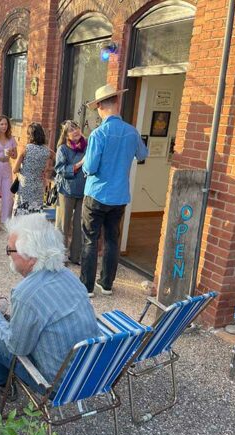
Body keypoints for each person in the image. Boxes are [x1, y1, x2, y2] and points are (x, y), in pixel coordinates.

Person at [0, 213, 100, 395]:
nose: (8, 255)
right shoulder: (68, 276)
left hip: (56, 384)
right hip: (87, 371)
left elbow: (17, 347)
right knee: (13, 324)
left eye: (10, 250)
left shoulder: (25, 294)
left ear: (31, 257)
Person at [80, 84, 149, 296]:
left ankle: (87, 287)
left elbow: (90, 167)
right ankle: (107, 284)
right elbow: (143, 155)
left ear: (100, 106)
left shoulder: (98, 134)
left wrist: (82, 166)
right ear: (117, 103)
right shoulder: (132, 132)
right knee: (111, 240)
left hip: (96, 194)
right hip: (119, 196)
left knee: (90, 240)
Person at [55, 120, 87, 265]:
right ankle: (60, 256)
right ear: (66, 135)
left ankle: (76, 256)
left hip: (84, 191)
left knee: (79, 225)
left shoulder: (88, 147)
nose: (75, 131)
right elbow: (60, 169)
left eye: (77, 128)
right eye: (71, 130)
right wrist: (80, 164)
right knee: (63, 225)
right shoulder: (63, 149)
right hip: (66, 191)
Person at [12, 122, 55, 216]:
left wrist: (23, 170)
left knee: (20, 215)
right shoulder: (47, 151)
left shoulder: (25, 149)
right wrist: (48, 169)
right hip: (38, 187)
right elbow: (59, 162)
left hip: (25, 186)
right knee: (34, 215)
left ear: (30, 135)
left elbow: (15, 169)